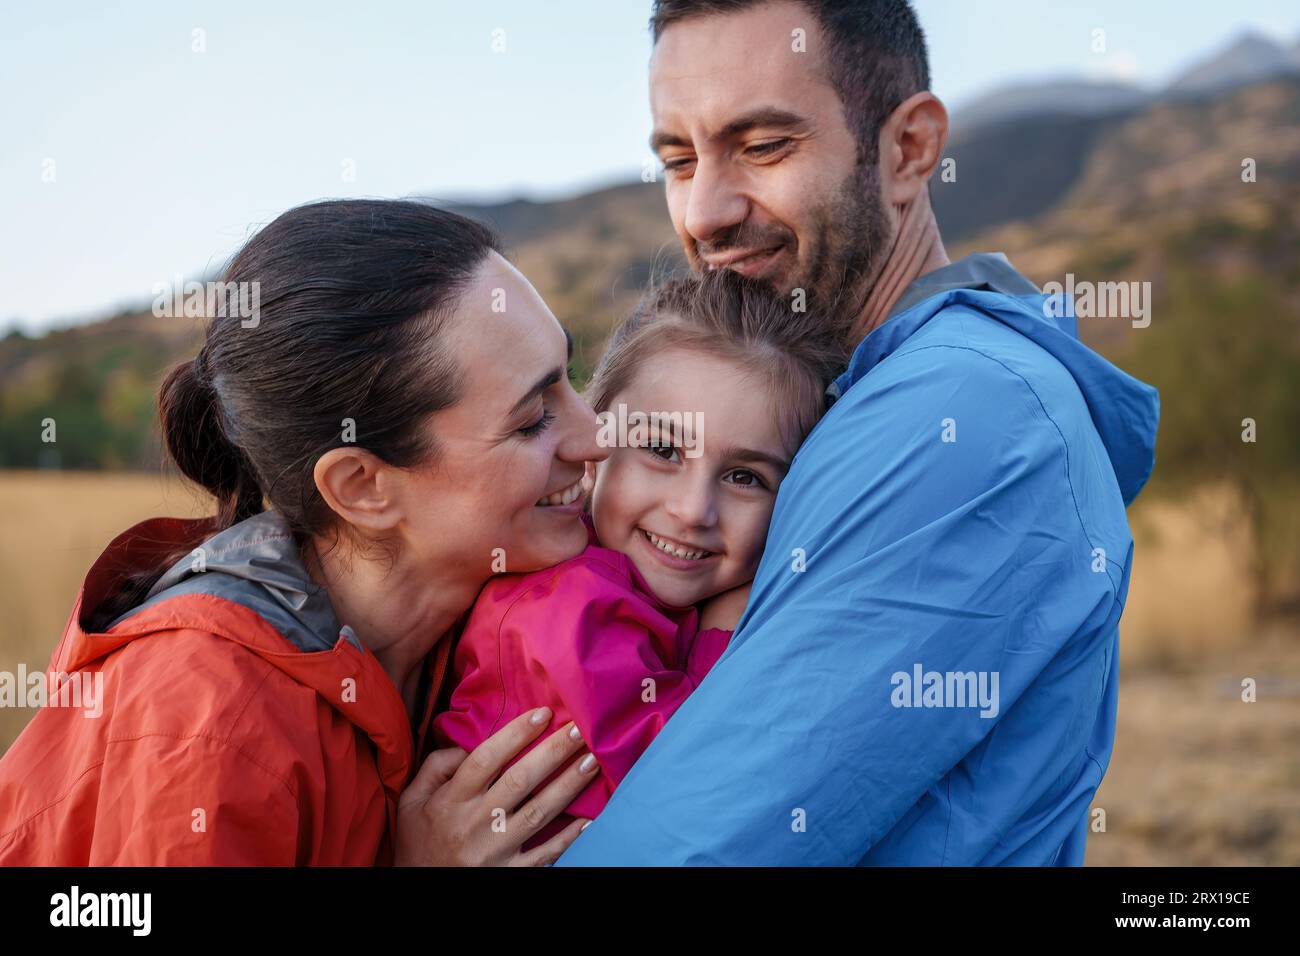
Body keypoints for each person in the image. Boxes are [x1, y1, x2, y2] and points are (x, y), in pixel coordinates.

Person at [559, 0, 1159, 865]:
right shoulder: (868, 394)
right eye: (679, 159)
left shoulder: (961, 418)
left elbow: (691, 851)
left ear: (909, 150)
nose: (703, 213)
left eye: (764, 147)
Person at [0, 199, 610, 866]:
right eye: (531, 421)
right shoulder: (209, 721)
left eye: (571, 379)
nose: (596, 436)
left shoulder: (501, 619)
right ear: (362, 487)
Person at [433, 270, 845, 844]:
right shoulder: (567, 608)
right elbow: (704, 780)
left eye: (745, 476)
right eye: (661, 449)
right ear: (596, 439)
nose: (694, 509)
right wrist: (724, 632)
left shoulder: (627, 585)